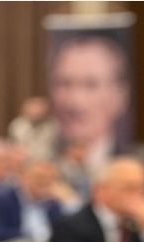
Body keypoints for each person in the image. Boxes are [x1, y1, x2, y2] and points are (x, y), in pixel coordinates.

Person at [49, 34, 131, 180]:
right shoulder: (45, 165)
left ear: (119, 95)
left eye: (91, 85)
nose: (75, 101)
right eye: (65, 83)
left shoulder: (131, 160)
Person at [0, 159, 78, 242]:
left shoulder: (53, 204)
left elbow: (72, 229)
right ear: (23, 177)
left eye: (51, 179)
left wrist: (69, 202)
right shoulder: (0, 199)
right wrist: (30, 236)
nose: (45, 183)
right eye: (40, 178)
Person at [8, 95, 60, 162]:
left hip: (47, 160)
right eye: (34, 108)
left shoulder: (53, 126)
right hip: (23, 159)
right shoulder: (17, 125)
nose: (36, 111)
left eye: (39, 108)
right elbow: (14, 145)